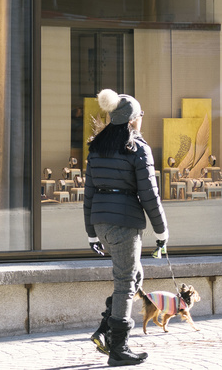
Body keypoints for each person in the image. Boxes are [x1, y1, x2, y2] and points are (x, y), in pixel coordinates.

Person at [84, 88, 168, 367]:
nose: (142, 118)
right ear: (133, 119)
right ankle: (118, 348)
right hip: (124, 225)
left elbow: (89, 193)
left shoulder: (97, 147)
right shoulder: (138, 148)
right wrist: (162, 232)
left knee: (133, 276)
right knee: (125, 282)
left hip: (102, 223)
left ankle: (105, 330)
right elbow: (150, 195)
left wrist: (91, 233)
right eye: (140, 114)